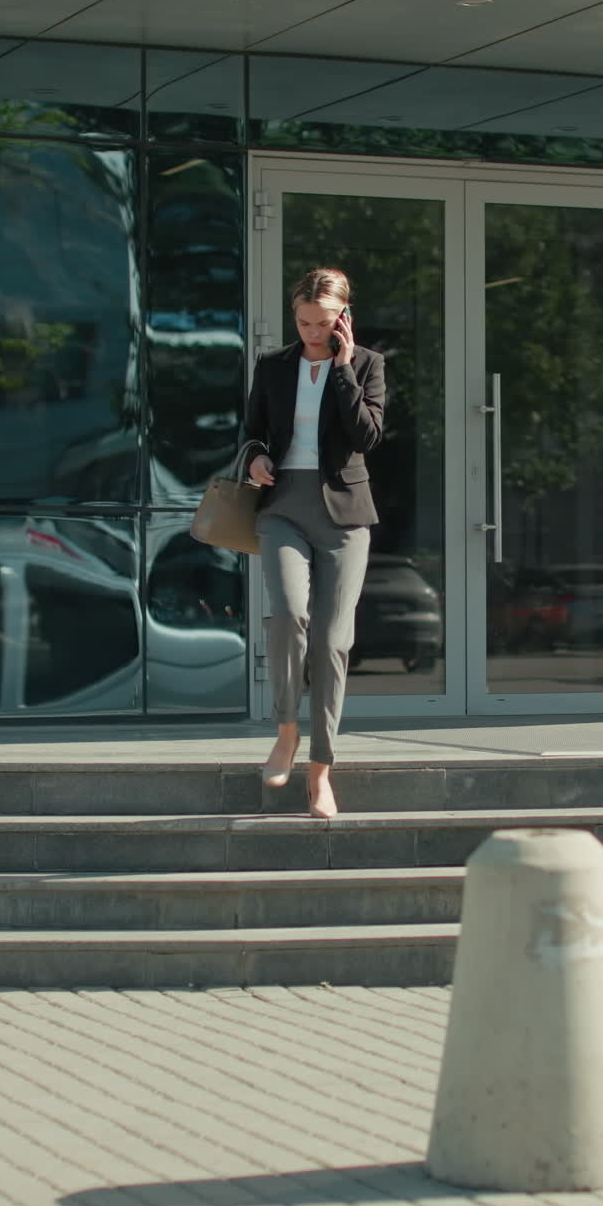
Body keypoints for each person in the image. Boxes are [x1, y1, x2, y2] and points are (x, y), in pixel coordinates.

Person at [243, 267, 385, 817]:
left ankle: (321, 770)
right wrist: (255, 457)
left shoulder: (367, 363)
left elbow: (366, 435)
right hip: (281, 508)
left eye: (323, 324)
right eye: (303, 322)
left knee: (331, 643)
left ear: (342, 318)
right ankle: (285, 731)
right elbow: (253, 429)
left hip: (344, 516)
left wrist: (344, 368)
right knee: (287, 615)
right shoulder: (273, 366)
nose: (311, 332)